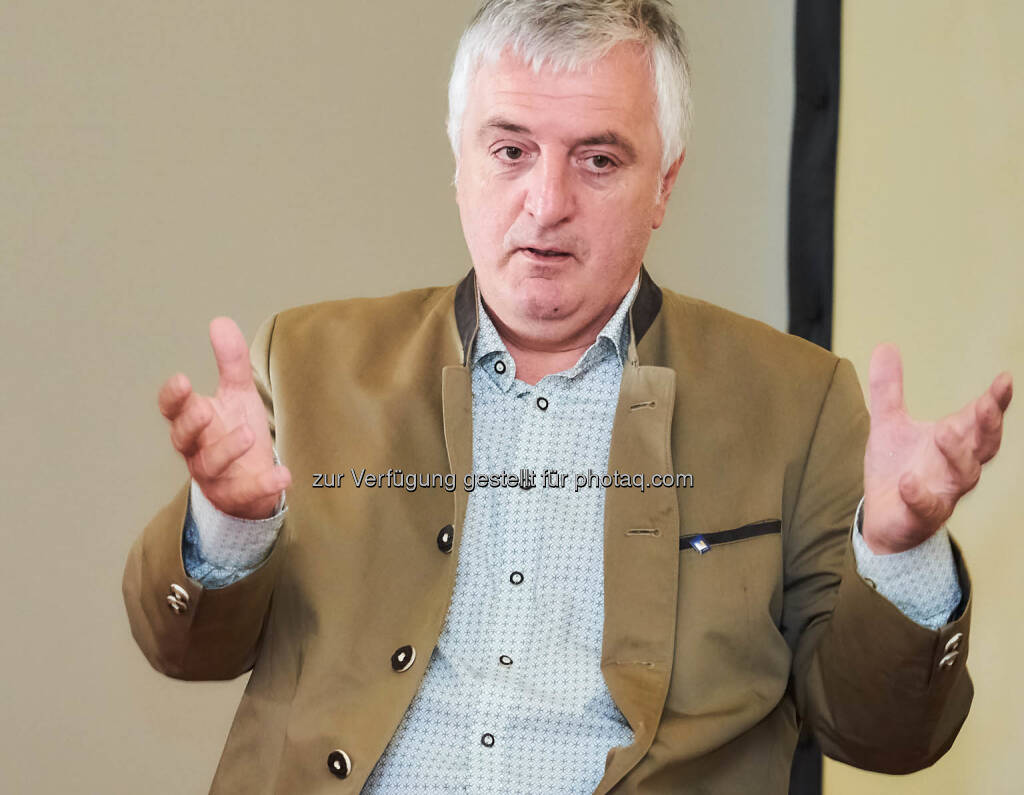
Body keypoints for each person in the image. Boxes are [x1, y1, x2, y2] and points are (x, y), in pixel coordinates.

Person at [122, 1, 1013, 793]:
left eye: (598, 159)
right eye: (510, 151)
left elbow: (886, 733)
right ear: (460, 162)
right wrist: (228, 524)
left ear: (664, 185)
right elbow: (184, 646)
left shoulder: (795, 401)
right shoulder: (309, 360)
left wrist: (900, 557)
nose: (545, 203)